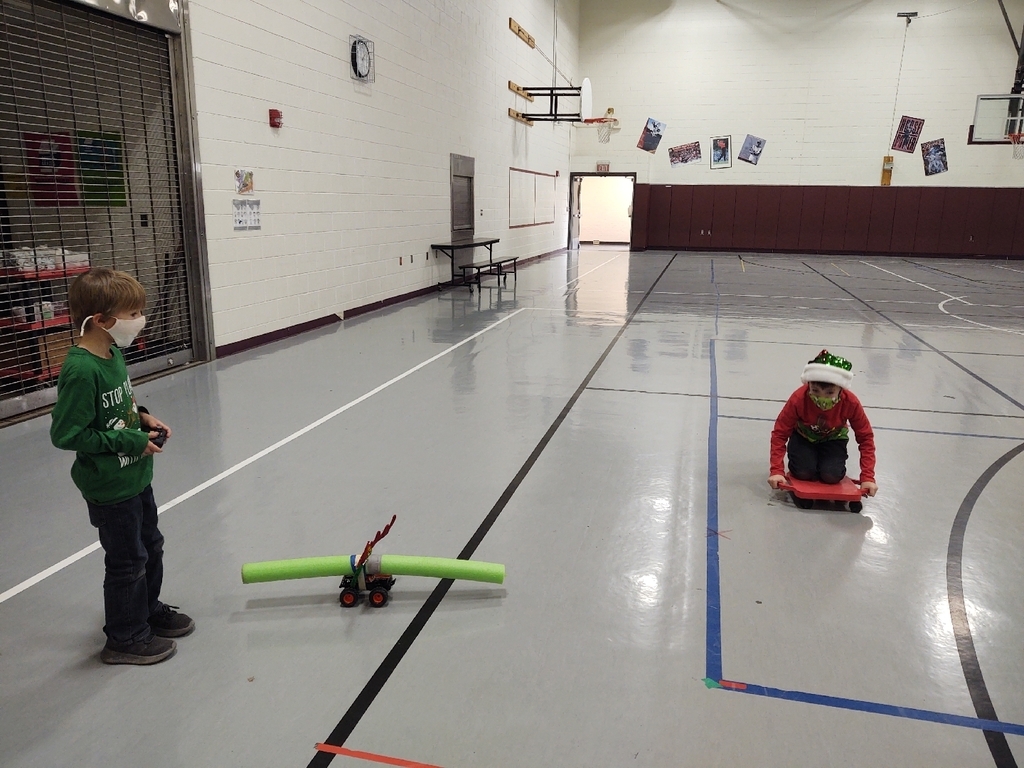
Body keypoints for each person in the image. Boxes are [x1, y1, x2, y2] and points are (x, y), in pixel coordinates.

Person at [50, 267, 193, 665]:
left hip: (134, 476)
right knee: (127, 561)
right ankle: (125, 638)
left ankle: (146, 611)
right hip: (109, 486)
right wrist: (129, 440)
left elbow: (117, 405)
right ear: (101, 320)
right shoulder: (81, 369)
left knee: (150, 548)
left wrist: (142, 417)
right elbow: (67, 435)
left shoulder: (111, 353)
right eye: (132, 314)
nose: (138, 320)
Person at [767, 349, 878, 497]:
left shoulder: (850, 402)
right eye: (815, 391)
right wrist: (776, 470)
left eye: (830, 393)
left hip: (834, 439)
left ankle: (824, 463)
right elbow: (780, 433)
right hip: (803, 437)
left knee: (831, 476)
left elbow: (865, 438)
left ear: (841, 389)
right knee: (803, 472)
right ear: (809, 385)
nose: (821, 398)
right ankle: (807, 460)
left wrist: (868, 477)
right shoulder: (798, 399)